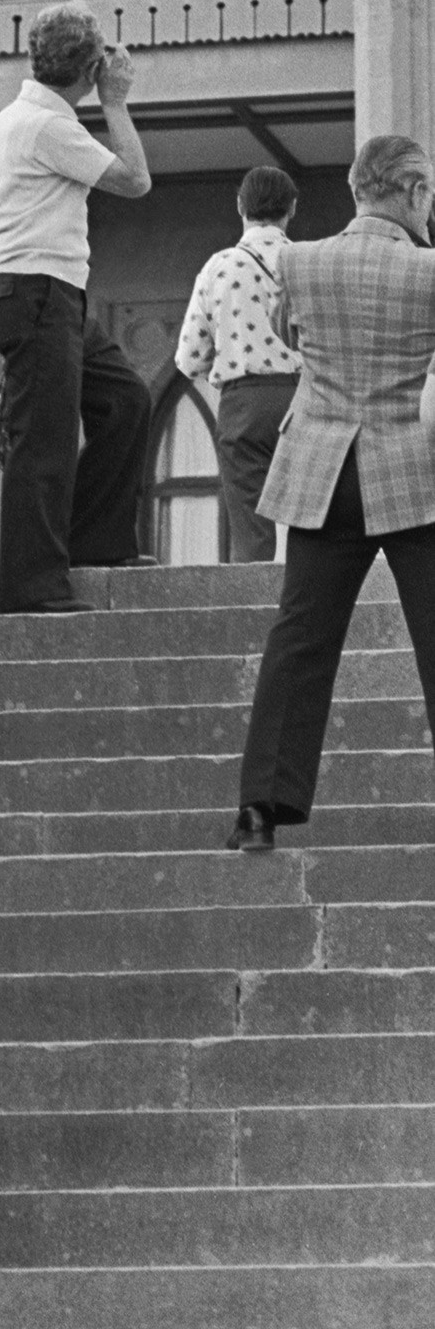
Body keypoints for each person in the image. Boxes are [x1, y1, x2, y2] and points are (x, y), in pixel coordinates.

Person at [227, 136, 435, 853]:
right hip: (410, 471)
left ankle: (260, 809)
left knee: (301, 641)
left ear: (355, 191)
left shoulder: (300, 259)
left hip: (322, 473)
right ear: (411, 193)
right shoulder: (429, 272)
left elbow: (291, 333)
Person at [0, 1, 154, 614]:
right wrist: (116, 101)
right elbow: (135, 180)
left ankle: (93, 543)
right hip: (38, 289)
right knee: (43, 442)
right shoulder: (48, 126)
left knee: (126, 400)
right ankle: (31, 586)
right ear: (88, 69)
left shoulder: (8, 123)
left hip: (42, 289)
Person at [175, 166, 302, 562]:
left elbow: (190, 357)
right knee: (312, 519)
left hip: (243, 404)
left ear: (240, 206)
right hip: (305, 402)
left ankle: (256, 610)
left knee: (250, 526)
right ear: (291, 209)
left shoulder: (219, 266)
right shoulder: (308, 262)